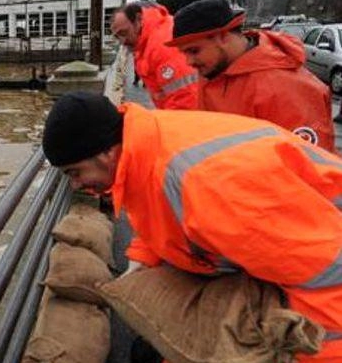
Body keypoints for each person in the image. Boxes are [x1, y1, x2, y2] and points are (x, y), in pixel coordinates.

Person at [42, 91, 342, 362]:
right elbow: (158, 209)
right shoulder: (142, 147)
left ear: (105, 153)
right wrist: (143, 258)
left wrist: (311, 352)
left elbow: (327, 273)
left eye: (75, 172)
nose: (75, 184)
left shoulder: (207, 188)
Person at [167, 0, 335, 152]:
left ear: (224, 37)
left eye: (194, 50)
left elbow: (309, 171)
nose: (189, 62)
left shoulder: (288, 89)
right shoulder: (213, 70)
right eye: (185, 53)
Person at [110, 1, 198, 110]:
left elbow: (185, 98)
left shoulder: (161, 45)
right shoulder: (147, 42)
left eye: (124, 33)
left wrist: (168, 124)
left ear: (138, 20)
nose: (122, 41)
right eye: (118, 37)